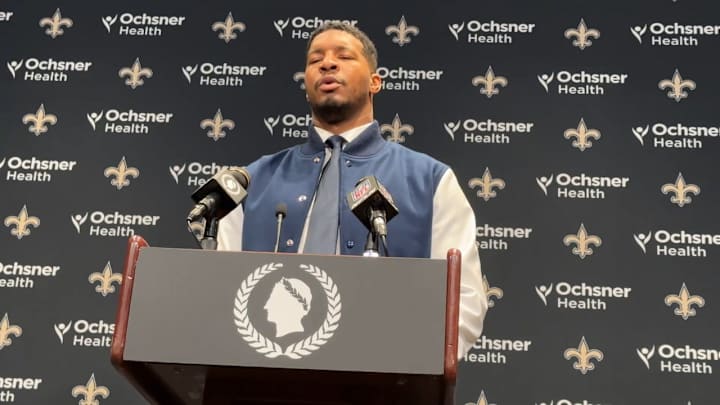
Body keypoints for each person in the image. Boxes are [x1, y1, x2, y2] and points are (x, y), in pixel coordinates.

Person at [217, 21, 487, 358]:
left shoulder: (430, 180)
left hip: (385, 373)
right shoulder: (250, 182)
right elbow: (220, 292)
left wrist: (409, 364)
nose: (327, 64)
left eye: (343, 56)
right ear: (305, 84)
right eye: (316, 60)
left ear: (375, 81)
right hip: (264, 372)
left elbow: (463, 298)